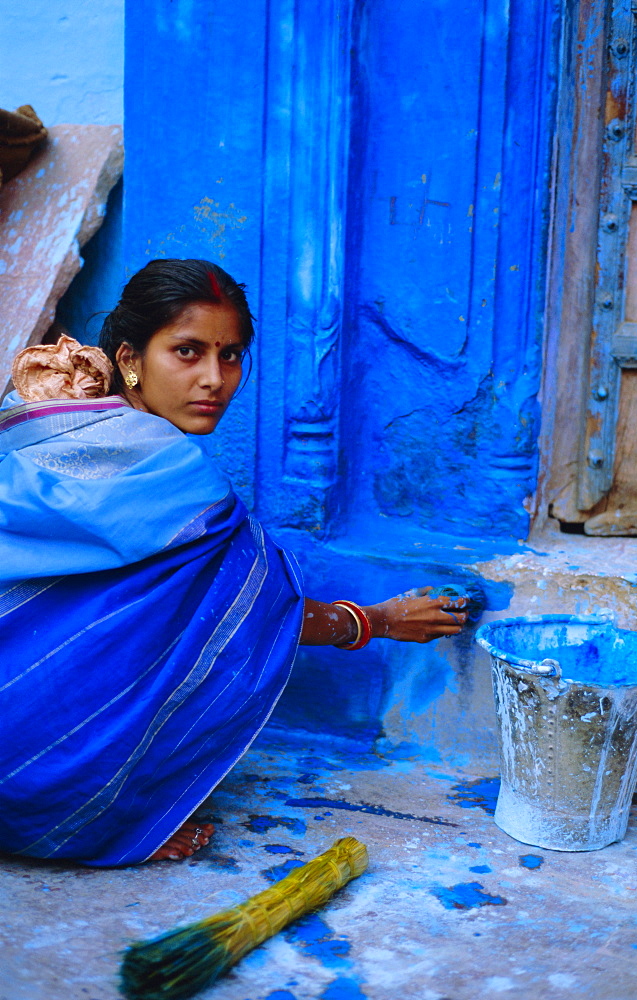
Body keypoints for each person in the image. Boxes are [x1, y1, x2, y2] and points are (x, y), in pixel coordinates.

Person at [0, 259, 468, 867]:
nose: (214, 379)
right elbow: (249, 613)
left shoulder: (46, 423)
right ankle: (88, 811)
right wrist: (374, 621)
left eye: (232, 356)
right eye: (188, 352)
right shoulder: (176, 477)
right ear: (131, 359)